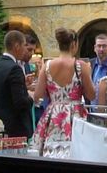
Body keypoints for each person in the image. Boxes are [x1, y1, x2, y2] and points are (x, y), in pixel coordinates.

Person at [31, 27, 95, 158]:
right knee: (78, 154)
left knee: (50, 154)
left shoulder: (47, 66)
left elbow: (37, 96)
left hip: (53, 115)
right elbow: (91, 95)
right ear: (74, 44)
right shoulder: (81, 66)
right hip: (76, 115)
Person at [0, 30, 34, 138]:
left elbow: (3, 90)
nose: (25, 50)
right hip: (15, 129)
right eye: (24, 45)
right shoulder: (15, 68)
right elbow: (20, 103)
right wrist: (31, 97)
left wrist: (23, 85)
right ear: (17, 46)